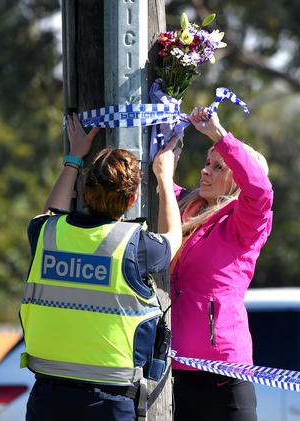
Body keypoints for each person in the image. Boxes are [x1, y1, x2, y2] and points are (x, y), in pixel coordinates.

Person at [19, 113, 182, 421]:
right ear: (132, 198)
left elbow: (51, 212)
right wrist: (164, 177)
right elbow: (174, 237)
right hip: (108, 402)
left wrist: (73, 159)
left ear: (86, 186)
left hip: (47, 398)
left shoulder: (45, 233)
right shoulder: (136, 246)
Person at [171, 106, 273, 421]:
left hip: (224, 376)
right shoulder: (187, 206)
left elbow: (260, 191)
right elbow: (157, 182)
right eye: (206, 163)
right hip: (176, 373)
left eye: (218, 167)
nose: (205, 171)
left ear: (237, 177)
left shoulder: (246, 222)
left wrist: (219, 135)